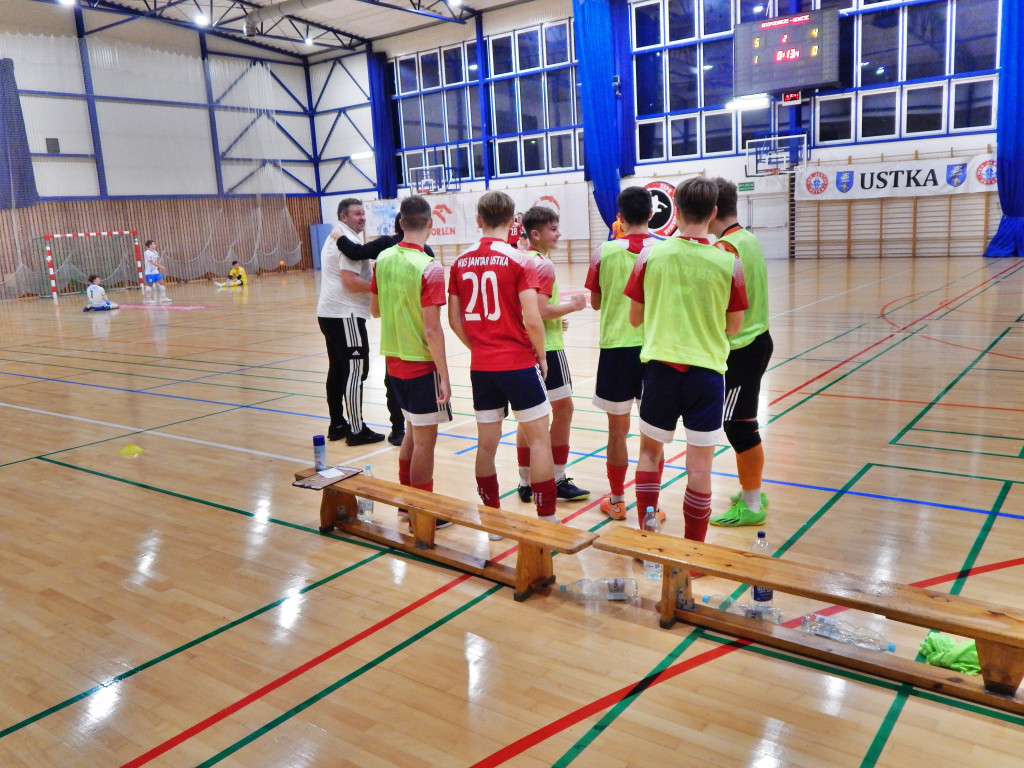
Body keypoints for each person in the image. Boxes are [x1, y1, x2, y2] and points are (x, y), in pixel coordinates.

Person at [624, 176, 748, 544]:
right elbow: (734, 325)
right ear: (712, 214)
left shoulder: (649, 254)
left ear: (674, 211)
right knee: (700, 465)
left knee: (649, 453)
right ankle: (694, 551)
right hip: (706, 374)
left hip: (660, 371)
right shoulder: (729, 261)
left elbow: (634, 318)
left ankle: (647, 535)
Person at [448, 190, 559, 523]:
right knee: (540, 440)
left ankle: (492, 519)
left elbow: (454, 320)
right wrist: (541, 356)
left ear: (479, 220)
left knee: (487, 444)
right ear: (514, 222)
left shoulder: (458, 261)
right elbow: (533, 317)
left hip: (482, 367)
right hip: (518, 363)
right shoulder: (520, 259)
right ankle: (547, 519)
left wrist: (480, 348)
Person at [369, 195, 453, 530]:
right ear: (431, 225)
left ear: (400, 224)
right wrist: (444, 376)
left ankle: (407, 505)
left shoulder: (383, 259)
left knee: (410, 435)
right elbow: (433, 329)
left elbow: (374, 310)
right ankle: (421, 512)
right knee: (425, 444)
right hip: (420, 365)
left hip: (393, 363)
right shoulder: (429, 267)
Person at [585, 186, 660, 520]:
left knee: (617, 431)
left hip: (615, 349)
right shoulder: (665, 250)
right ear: (652, 214)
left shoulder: (604, 252)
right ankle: (650, 508)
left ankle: (617, 500)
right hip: (655, 350)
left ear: (619, 218)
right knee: (652, 434)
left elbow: (597, 302)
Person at [708, 177, 774, 527]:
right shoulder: (747, 239)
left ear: (712, 210)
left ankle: (751, 504)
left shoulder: (725, 250)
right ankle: (753, 490)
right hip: (758, 338)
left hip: (741, 347)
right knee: (742, 420)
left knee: (738, 425)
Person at [336, 213, 434, 447]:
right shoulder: (426, 255)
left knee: (393, 383)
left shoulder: (385, 252)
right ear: (428, 225)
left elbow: (355, 253)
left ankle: (398, 429)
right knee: (416, 387)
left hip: (393, 334)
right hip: (418, 334)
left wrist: (338, 237)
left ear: (398, 225)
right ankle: (413, 428)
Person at [514, 205, 589, 504]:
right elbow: (542, 309)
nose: (559, 234)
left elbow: (530, 310)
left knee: (528, 418)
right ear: (536, 233)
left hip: (525, 346)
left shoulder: (521, 259)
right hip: (549, 349)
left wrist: (555, 318)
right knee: (565, 410)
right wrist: (573, 305)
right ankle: (557, 477)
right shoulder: (543, 264)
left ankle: (525, 481)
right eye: (553, 229)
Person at [316, 198, 385, 447]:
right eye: (357, 214)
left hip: (329, 313)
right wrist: (380, 291)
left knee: (338, 369)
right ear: (344, 217)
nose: (362, 217)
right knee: (356, 371)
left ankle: (337, 424)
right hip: (346, 315)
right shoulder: (349, 242)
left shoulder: (337, 237)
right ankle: (356, 429)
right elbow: (350, 281)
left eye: (363, 213)